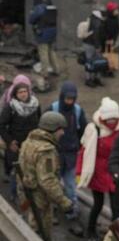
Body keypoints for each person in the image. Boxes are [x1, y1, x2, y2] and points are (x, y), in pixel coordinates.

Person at [17, 111, 73, 241]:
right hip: (39, 199)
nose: (62, 133)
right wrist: (64, 201)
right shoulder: (46, 150)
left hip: (29, 195)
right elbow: (47, 180)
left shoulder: (29, 142)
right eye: (60, 129)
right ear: (52, 130)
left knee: (35, 230)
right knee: (38, 235)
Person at [76, 97, 119, 241]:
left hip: (113, 171)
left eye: (114, 119)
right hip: (97, 172)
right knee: (98, 204)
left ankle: (117, 235)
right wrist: (79, 172)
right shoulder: (94, 129)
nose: (111, 122)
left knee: (116, 206)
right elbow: (84, 152)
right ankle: (90, 231)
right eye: (108, 119)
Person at [46, 81, 88, 228]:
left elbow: (83, 130)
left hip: (71, 154)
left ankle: (71, 210)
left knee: (70, 185)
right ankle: (52, 210)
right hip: (54, 154)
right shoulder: (53, 109)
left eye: (72, 98)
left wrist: (80, 146)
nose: (69, 101)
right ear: (62, 97)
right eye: (67, 98)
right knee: (53, 183)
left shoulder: (77, 111)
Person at [0, 75, 41, 200]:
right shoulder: (10, 107)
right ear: (15, 94)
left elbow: (39, 121)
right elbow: (1, 125)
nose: (23, 94)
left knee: (33, 169)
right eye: (20, 92)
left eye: (25, 91)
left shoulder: (35, 105)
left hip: (32, 144)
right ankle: (15, 194)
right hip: (16, 145)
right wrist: (9, 141)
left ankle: (31, 194)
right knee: (16, 171)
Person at [82, 9, 106, 87]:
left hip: (88, 43)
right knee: (92, 61)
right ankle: (90, 79)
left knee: (91, 61)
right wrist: (97, 46)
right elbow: (96, 35)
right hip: (92, 44)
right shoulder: (97, 22)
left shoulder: (92, 18)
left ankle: (91, 78)